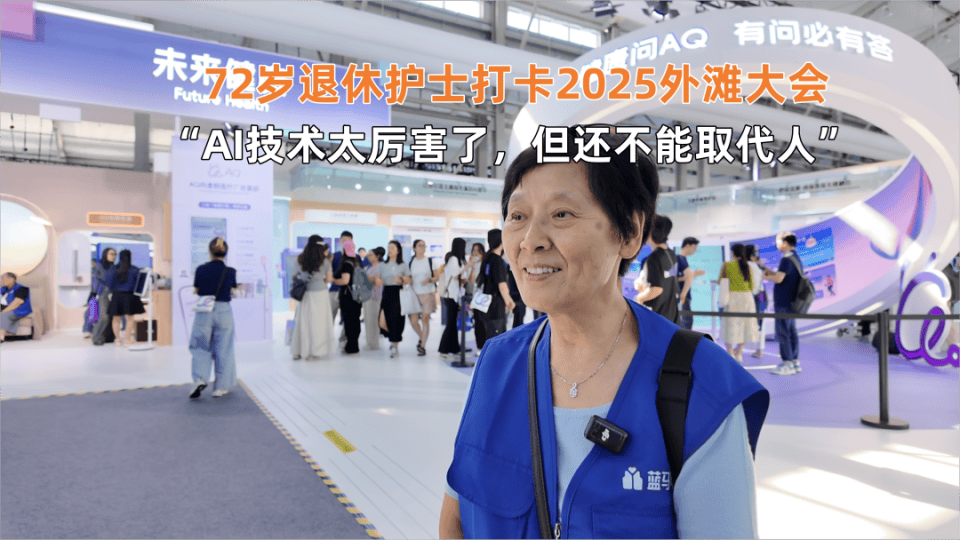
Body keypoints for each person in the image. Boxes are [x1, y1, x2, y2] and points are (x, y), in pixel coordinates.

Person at [440, 128, 768, 539]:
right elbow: (456, 515)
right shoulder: (497, 363)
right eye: (518, 216)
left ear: (629, 233)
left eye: (562, 214)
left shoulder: (703, 388)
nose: (530, 241)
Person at [189, 237, 238, 399]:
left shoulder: (201, 269)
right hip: (224, 310)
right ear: (225, 253)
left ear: (210, 252)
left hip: (204, 309)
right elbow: (232, 290)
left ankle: (200, 379)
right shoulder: (230, 271)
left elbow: (197, 290)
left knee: (200, 345)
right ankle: (220, 387)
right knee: (224, 348)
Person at [290, 235, 336, 360]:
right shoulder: (325, 261)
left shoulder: (300, 260)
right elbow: (329, 279)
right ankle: (314, 352)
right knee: (319, 323)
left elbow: (295, 277)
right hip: (321, 293)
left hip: (305, 294)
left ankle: (299, 351)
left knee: (303, 322)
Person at [764, 232, 803, 375]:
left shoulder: (786, 259)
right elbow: (784, 277)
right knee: (791, 331)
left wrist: (764, 277)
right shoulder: (795, 258)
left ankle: (787, 364)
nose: (778, 245)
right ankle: (794, 361)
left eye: (779, 242)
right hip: (791, 303)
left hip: (783, 302)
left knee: (783, 332)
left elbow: (779, 279)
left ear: (785, 243)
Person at [634, 215, 681, 325]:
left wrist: (639, 299)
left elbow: (657, 289)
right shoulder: (671, 254)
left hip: (656, 318)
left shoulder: (653, 259)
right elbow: (666, 282)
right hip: (671, 317)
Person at [720, 244, 761, 363]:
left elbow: (722, 282)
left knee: (729, 326)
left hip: (732, 298)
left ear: (733, 253)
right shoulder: (748, 266)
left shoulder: (727, 265)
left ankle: (730, 352)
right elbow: (751, 286)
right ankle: (739, 352)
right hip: (747, 298)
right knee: (746, 327)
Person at [474, 229, 515, 350]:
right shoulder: (497, 261)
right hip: (496, 304)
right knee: (497, 335)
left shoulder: (488, 258)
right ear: (502, 241)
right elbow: (502, 285)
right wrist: (509, 301)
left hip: (487, 303)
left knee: (491, 334)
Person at [105, 249, 145, 347]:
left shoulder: (113, 269)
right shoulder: (135, 269)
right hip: (130, 296)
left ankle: (117, 340)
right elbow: (140, 284)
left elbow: (109, 283)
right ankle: (128, 340)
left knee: (116, 319)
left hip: (117, 296)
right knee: (130, 319)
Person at [379, 240, 411, 358]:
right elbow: (376, 277)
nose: (390, 250)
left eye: (392, 248)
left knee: (396, 320)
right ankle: (393, 338)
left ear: (398, 251)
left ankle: (395, 345)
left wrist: (401, 280)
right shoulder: (383, 264)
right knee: (382, 322)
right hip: (386, 292)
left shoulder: (403, 264)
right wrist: (377, 280)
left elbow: (409, 280)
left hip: (398, 293)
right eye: (389, 248)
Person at [409, 239, 439, 356]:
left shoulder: (430, 261)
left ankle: (422, 346)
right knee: (413, 321)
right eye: (420, 245)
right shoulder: (411, 262)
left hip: (428, 293)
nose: (423, 247)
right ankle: (422, 337)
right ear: (414, 248)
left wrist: (430, 280)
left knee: (425, 319)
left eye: (424, 245)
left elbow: (437, 277)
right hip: (414, 294)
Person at [333, 240, 362, 355]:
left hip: (348, 297)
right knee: (355, 321)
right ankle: (354, 345)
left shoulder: (346, 264)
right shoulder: (356, 262)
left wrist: (334, 281)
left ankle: (351, 347)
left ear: (344, 250)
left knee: (349, 322)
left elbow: (345, 281)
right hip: (356, 296)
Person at [439, 238, 466, 359]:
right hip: (450, 296)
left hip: (454, 296)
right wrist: (468, 266)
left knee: (453, 324)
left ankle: (454, 349)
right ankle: (443, 350)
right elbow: (456, 276)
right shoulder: (453, 259)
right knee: (450, 324)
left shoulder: (457, 260)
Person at [329, 231, 353, 350]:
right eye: (344, 240)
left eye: (349, 240)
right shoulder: (335, 256)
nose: (346, 242)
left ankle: (343, 340)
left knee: (347, 318)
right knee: (329, 316)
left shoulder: (355, 257)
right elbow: (328, 273)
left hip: (348, 292)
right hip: (334, 290)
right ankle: (326, 340)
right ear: (340, 241)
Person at [676, 237, 706, 330]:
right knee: (687, 321)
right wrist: (694, 275)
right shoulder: (678, 258)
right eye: (694, 247)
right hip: (682, 294)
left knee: (687, 320)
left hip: (684, 294)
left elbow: (682, 277)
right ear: (687, 245)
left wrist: (693, 275)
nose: (695, 250)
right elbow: (673, 278)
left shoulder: (683, 259)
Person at [90, 247, 116, 345]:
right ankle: (95, 337)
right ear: (106, 254)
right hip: (103, 293)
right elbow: (96, 280)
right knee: (103, 317)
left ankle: (105, 337)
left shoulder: (113, 266)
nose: (113, 256)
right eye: (111, 254)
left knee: (111, 317)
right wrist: (94, 292)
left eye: (115, 254)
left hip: (113, 294)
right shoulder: (100, 266)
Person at [745, 244, 766, 359]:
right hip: (762, 296)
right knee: (760, 324)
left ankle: (739, 349)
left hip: (754, 297)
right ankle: (759, 350)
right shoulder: (759, 265)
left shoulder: (747, 265)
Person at [363, 247, 386, 351]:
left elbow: (379, 281)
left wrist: (371, 279)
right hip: (367, 296)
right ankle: (369, 342)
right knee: (368, 320)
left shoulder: (381, 267)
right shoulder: (369, 267)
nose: (368, 256)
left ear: (378, 256)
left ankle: (374, 343)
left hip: (375, 296)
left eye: (371, 254)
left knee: (373, 320)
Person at [466, 243, 486, 356]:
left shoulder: (487, 263)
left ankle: (486, 346)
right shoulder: (473, 265)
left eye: (478, 250)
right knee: (478, 323)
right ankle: (479, 346)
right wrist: (472, 267)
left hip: (487, 296)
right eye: (474, 250)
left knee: (486, 323)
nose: (476, 253)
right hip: (477, 297)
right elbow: (471, 280)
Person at [0, 272, 32, 344]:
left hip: (18, 309)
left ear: (12, 279)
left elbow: (17, 302)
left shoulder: (21, 288)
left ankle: (1, 337)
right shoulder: (4, 289)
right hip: (4, 308)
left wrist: (4, 311)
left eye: (4, 279)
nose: (2, 281)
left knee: (3, 315)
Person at [506, 257, 526, 329]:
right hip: (519, 296)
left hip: (514, 294)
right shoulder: (518, 267)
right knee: (519, 319)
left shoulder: (509, 266)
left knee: (517, 318)